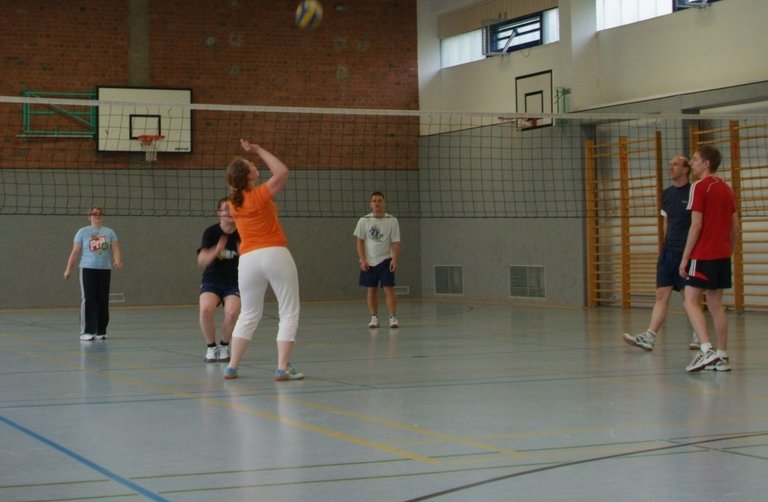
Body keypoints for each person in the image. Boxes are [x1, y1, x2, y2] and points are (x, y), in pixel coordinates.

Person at [222, 139, 303, 381]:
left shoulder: (232, 203)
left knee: (248, 313)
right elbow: (282, 172)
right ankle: (282, 367)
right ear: (248, 175)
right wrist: (257, 149)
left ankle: (232, 366)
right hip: (274, 254)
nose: (255, 164)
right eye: (251, 164)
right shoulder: (258, 196)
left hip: (247, 261)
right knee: (289, 311)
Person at [623, 156, 699, 351]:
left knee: (688, 298)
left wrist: (691, 251)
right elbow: (667, 223)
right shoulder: (666, 194)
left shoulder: (694, 191)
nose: (670, 167)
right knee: (660, 295)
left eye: (675, 164)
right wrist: (665, 246)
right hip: (668, 253)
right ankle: (649, 336)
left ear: (686, 169)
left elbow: (698, 223)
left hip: (687, 253)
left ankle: (699, 335)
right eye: (670, 164)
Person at [680, 145, 739, 372]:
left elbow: (696, 225)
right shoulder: (727, 189)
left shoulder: (699, 187)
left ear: (706, 164)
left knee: (690, 300)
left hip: (703, 254)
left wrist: (685, 258)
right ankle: (722, 356)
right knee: (716, 304)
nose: (691, 163)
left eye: (695, 159)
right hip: (722, 255)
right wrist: (728, 252)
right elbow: (735, 228)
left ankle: (705, 350)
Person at [63, 206, 123, 341]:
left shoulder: (109, 232)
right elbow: (75, 252)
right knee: (89, 298)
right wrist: (68, 269)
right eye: (94, 214)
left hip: (104, 269)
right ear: (89, 217)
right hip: (87, 268)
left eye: (100, 214)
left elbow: (116, 249)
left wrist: (118, 260)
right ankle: (87, 331)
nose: (97, 215)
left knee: (103, 299)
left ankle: (101, 330)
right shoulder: (82, 232)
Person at [197, 197, 241, 363]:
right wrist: (217, 250)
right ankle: (211, 347)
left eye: (233, 209)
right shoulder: (211, 232)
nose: (229, 212)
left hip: (234, 281)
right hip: (212, 279)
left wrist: (243, 253)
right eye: (225, 209)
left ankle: (224, 345)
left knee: (231, 313)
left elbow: (252, 261)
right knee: (206, 310)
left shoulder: (243, 232)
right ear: (219, 213)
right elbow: (202, 261)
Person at [354, 191, 401, 329]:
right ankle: (374, 318)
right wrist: (362, 260)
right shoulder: (364, 220)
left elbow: (396, 242)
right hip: (369, 261)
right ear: (370, 204)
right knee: (371, 289)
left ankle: (393, 317)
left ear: (384, 203)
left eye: (379, 200)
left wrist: (395, 259)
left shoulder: (392, 220)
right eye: (374, 200)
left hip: (386, 259)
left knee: (388, 288)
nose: (377, 203)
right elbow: (360, 242)